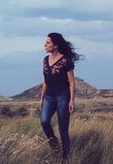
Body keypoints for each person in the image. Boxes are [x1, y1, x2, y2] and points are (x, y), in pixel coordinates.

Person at [40, 32, 81, 160]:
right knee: (44, 121)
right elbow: (45, 80)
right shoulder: (45, 60)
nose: (45, 45)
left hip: (63, 96)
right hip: (49, 97)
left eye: (47, 43)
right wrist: (41, 98)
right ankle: (55, 147)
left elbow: (71, 81)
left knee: (63, 129)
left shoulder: (65, 60)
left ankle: (65, 158)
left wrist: (71, 100)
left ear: (55, 45)